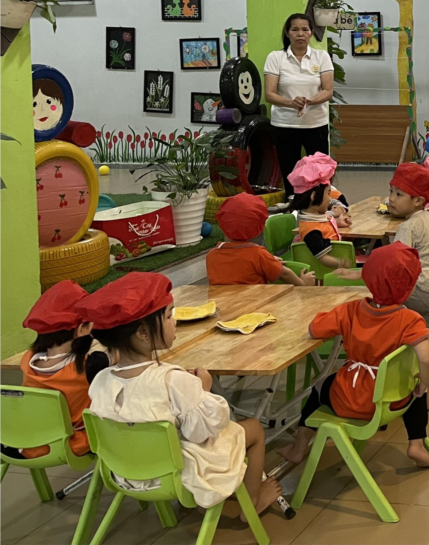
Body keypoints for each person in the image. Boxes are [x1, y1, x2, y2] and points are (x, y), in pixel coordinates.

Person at [84, 273, 283, 513]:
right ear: (143, 332)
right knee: (254, 427)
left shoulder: (100, 380)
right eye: (169, 315)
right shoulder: (172, 380)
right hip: (175, 476)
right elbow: (202, 432)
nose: (175, 321)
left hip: (126, 473)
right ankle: (253, 502)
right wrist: (204, 389)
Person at [278, 244, 429, 469]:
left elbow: (315, 329)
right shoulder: (411, 320)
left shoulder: (351, 310)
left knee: (319, 388)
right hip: (394, 401)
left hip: (351, 400)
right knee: (417, 390)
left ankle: (298, 447)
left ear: (368, 280)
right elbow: (427, 359)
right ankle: (416, 444)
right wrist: (424, 382)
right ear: (410, 286)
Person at [2, 282, 108, 460]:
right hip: (71, 445)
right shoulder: (90, 365)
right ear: (82, 329)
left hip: (29, 444)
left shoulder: (28, 360)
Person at [388, 162, 429, 411]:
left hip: (420, 289)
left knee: (386, 321)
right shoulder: (428, 218)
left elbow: (397, 263)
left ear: (417, 201)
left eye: (398, 194)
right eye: (391, 192)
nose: (391, 199)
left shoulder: (408, 226)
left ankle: (391, 384)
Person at [263, 13, 334, 198]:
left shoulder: (322, 57)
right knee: (290, 171)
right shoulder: (275, 57)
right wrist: (291, 103)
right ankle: (293, 206)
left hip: (316, 125)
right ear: (287, 33)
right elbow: (269, 94)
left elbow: (328, 91)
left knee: (320, 172)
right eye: (295, 29)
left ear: (311, 32)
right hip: (284, 125)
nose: (300, 34)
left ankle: (320, 204)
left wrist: (309, 101)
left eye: (305, 29)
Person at [208, 192, 313, 286]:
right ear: (258, 228)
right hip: (255, 301)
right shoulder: (258, 254)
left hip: (221, 301)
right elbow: (285, 274)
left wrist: (268, 260)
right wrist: (303, 283)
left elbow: (238, 264)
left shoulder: (211, 256)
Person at [289, 154, 360, 278]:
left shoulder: (316, 217)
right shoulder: (310, 230)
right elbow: (322, 258)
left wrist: (338, 222)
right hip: (326, 276)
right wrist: (341, 263)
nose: (330, 199)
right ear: (314, 196)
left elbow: (324, 227)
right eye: (328, 193)